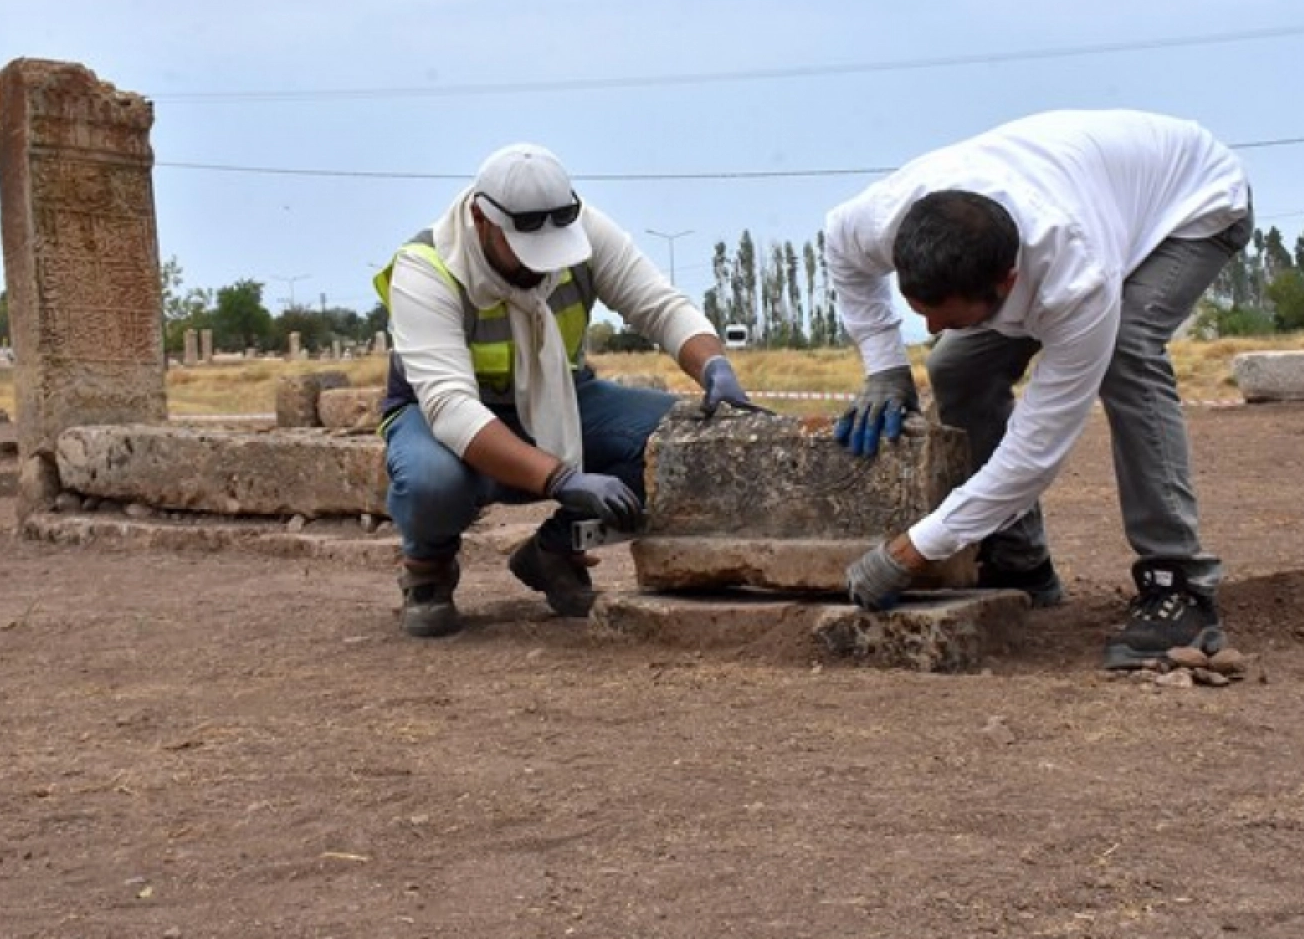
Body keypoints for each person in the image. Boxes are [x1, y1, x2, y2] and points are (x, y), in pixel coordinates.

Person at [825, 109, 1253, 669]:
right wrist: (885, 367)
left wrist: (916, 549)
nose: (928, 328)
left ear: (1007, 282)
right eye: (920, 312)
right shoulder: (884, 217)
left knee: (1127, 348)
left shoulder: (1077, 277)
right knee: (954, 366)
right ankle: (1019, 559)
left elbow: (1035, 451)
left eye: (946, 315)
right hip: (1094, 195)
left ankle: (1178, 584)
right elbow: (840, 249)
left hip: (1192, 202)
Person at [376, 143, 751, 637]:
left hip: (558, 397)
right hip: (441, 418)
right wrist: (560, 479)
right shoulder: (426, 269)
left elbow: (661, 307)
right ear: (482, 219)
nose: (541, 265)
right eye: (526, 247)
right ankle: (428, 568)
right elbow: (452, 409)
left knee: (687, 444)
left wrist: (714, 365)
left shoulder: (584, 232)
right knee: (432, 482)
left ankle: (556, 551)